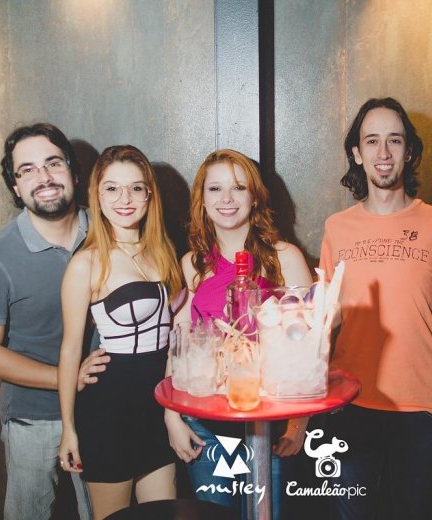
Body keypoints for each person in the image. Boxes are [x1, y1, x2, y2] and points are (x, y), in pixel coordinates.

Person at [319, 97, 432, 519]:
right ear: (357, 153)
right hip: (351, 402)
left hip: (425, 409)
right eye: (372, 141)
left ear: (409, 151)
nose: (383, 152)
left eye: (394, 140)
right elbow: (323, 320)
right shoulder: (337, 228)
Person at [164, 149, 312, 517]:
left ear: (255, 196)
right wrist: (172, 416)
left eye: (238, 187)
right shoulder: (192, 263)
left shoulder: (285, 257)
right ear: (202, 200)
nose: (226, 199)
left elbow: (308, 349)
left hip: (268, 423)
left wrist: (298, 424)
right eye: (215, 189)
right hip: (203, 421)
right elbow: (180, 344)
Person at [0, 123, 93, 519]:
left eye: (53, 163)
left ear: (73, 173)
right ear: (16, 188)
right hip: (32, 417)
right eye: (28, 170)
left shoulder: (109, 232)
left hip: (102, 408)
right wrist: (68, 377)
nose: (44, 177)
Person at [57, 145, 185, 519]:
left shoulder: (164, 250)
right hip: (108, 411)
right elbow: (70, 349)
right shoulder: (86, 262)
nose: (124, 199)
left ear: (149, 195)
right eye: (112, 188)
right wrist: (68, 429)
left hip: (158, 407)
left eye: (135, 188)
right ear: (96, 195)